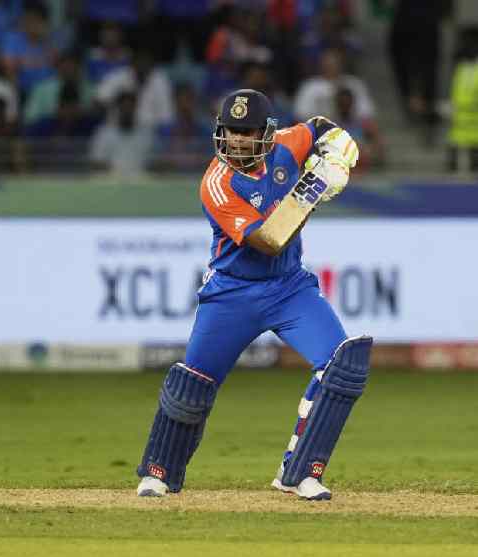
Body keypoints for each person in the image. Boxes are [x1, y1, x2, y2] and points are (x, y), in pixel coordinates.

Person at [135, 89, 372, 501]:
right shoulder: (217, 183)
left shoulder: (285, 145)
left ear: (265, 132)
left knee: (341, 364)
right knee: (195, 383)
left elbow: (318, 128)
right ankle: (159, 472)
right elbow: (268, 240)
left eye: (247, 132)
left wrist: (338, 147)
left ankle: (300, 473)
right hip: (232, 293)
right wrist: (314, 188)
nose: (238, 140)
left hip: (289, 288)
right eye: (231, 131)